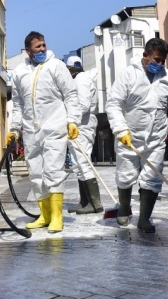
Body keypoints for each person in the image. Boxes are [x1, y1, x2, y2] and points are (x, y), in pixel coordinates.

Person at [106, 37, 168, 233]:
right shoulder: (128, 75)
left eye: (162, 61)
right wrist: (120, 129)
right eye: (156, 59)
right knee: (126, 175)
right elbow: (113, 104)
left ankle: (144, 219)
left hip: (156, 138)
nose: (159, 64)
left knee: (152, 177)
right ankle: (124, 207)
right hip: (129, 137)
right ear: (145, 56)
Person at [6, 31, 80, 233]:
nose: (42, 49)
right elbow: (18, 103)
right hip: (31, 131)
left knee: (53, 172)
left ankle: (57, 217)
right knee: (36, 173)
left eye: (44, 45)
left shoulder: (56, 66)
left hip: (55, 126)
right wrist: (13, 128)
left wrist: (72, 120)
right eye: (37, 47)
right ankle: (45, 215)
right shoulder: (20, 72)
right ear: (28, 50)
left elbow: (71, 94)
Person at [64, 55, 103, 215]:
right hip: (80, 124)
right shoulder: (81, 78)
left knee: (83, 162)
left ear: (69, 69)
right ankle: (85, 201)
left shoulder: (81, 80)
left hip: (82, 125)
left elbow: (84, 104)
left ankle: (95, 203)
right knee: (78, 164)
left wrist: (71, 118)